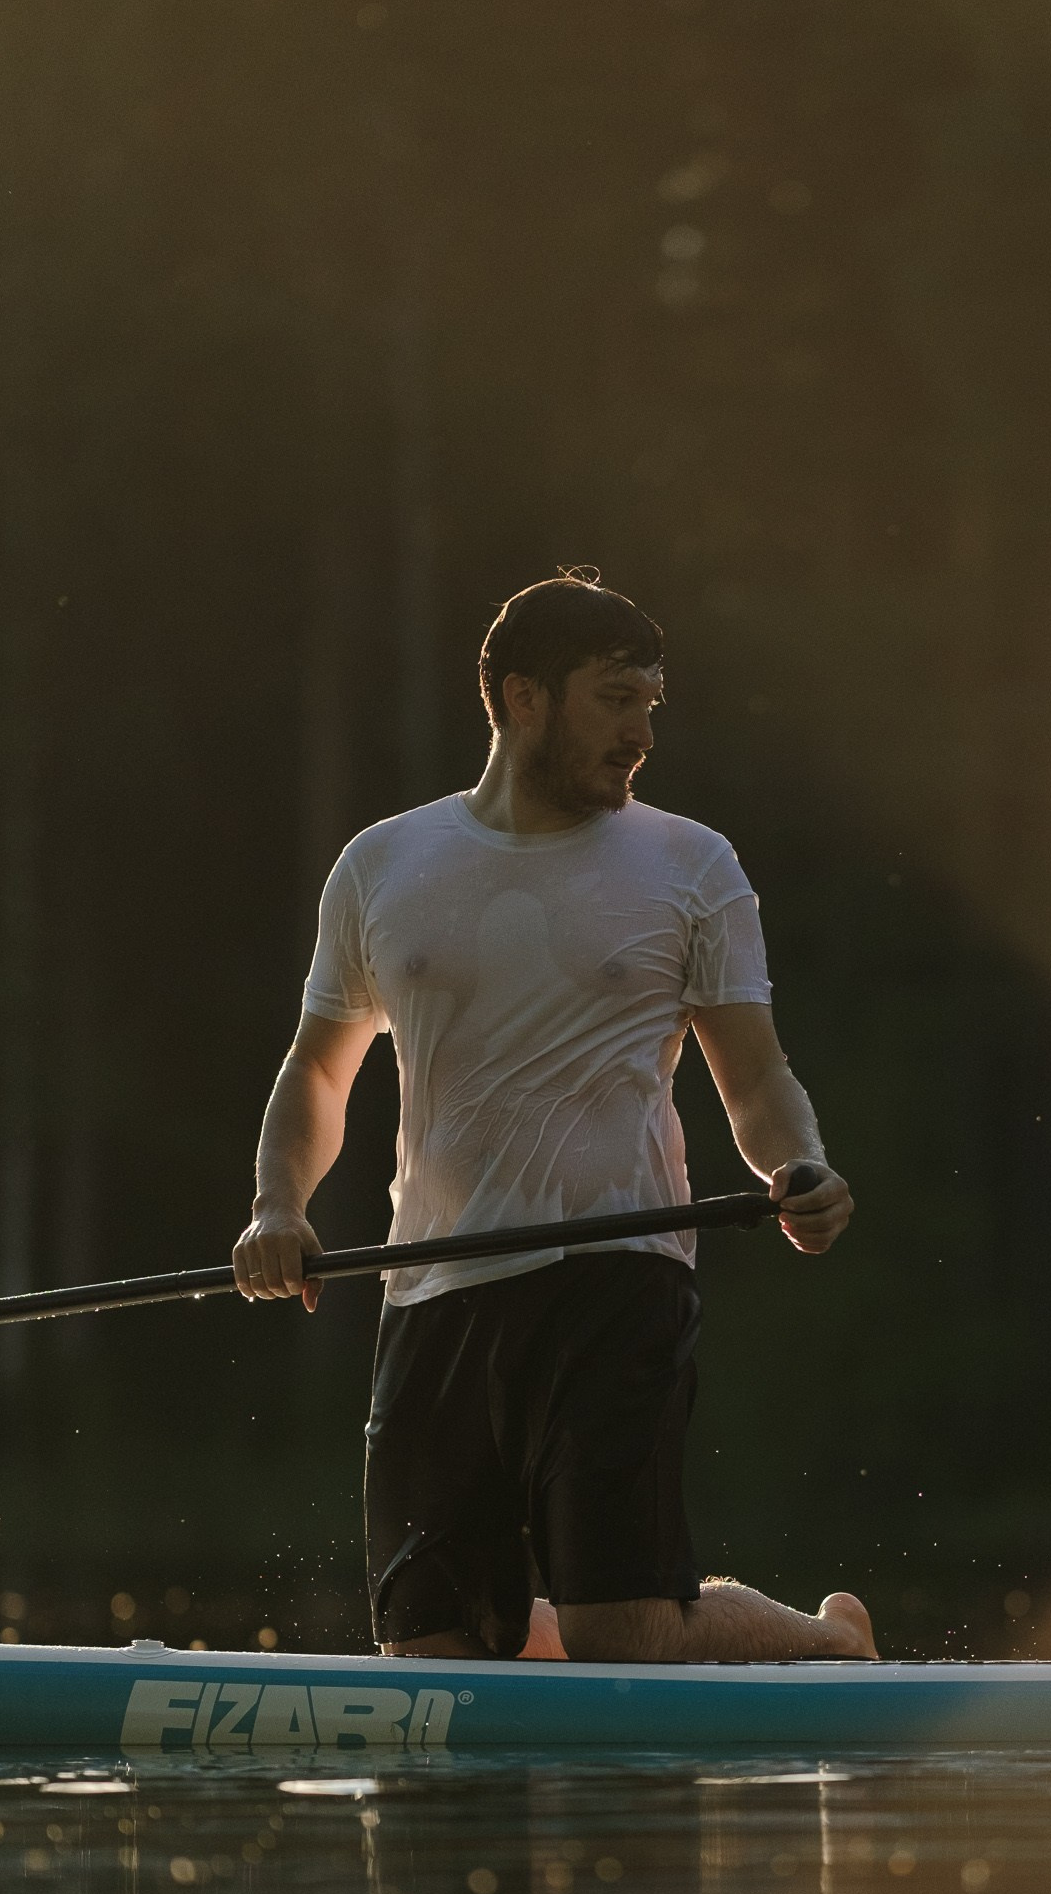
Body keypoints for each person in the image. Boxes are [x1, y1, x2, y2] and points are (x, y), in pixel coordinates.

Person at [233, 569, 874, 1665]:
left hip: (618, 1273)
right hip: (435, 1283)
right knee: (435, 1655)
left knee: (619, 1627)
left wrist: (796, 1165)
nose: (642, 732)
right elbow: (318, 1071)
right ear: (522, 697)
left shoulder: (691, 866)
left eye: (652, 705)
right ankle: (523, 1645)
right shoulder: (383, 864)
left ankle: (825, 1639)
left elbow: (756, 1078)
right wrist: (274, 1208)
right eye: (616, 698)